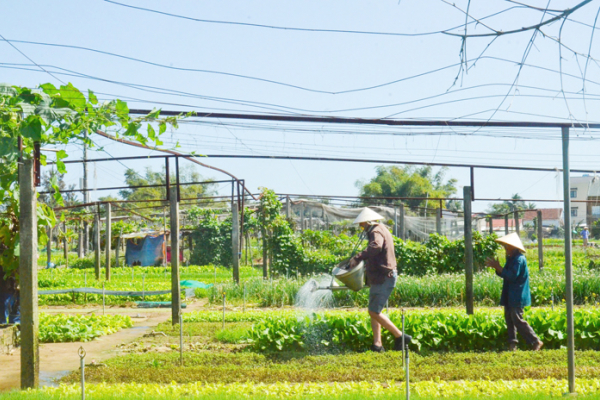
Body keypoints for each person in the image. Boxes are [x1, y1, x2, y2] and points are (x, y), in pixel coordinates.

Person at [349, 208, 411, 352]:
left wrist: (357, 257)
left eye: (362, 223)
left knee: (374, 312)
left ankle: (400, 336)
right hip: (379, 277)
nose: (361, 226)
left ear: (367, 221)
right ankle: (377, 344)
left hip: (384, 277)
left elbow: (376, 246)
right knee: (375, 310)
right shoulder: (381, 228)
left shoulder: (375, 231)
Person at [486, 233, 543, 351]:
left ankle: (535, 340)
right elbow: (505, 273)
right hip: (509, 293)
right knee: (509, 317)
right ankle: (513, 344)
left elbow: (512, 276)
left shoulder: (519, 260)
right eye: (505, 247)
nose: (506, 249)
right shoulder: (511, 258)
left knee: (516, 318)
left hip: (517, 294)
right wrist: (498, 269)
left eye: (508, 247)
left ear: (514, 247)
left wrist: (499, 268)